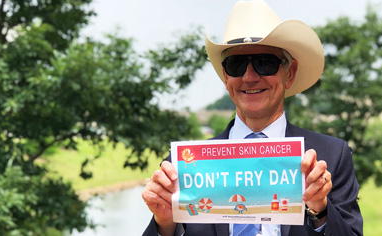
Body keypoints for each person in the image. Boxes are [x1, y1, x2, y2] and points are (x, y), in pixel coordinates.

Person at [142, 0, 363, 235]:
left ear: (291, 73)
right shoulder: (185, 166)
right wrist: (164, 223)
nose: (249, 77)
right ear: (226, 78)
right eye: (236, 65)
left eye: (264, 63)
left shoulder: (331, 157)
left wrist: (320, 209)